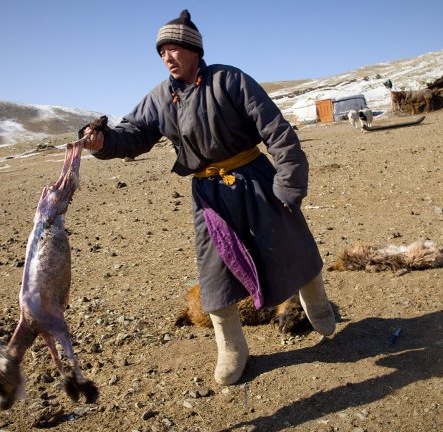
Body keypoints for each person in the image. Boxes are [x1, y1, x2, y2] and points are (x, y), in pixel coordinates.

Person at [79, 9, 335, 385]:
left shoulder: (230, 79)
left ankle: (316, 300)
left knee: (289, 243)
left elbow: (277, 131)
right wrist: (104, 142)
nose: (167, 57)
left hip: (255, 177)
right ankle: (231, 346)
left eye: (174, 49)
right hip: (209, 194)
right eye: (161, 51)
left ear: (194, 50)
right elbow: (133, 134)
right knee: (215, 269)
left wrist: (289, 181)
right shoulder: (159, 97)